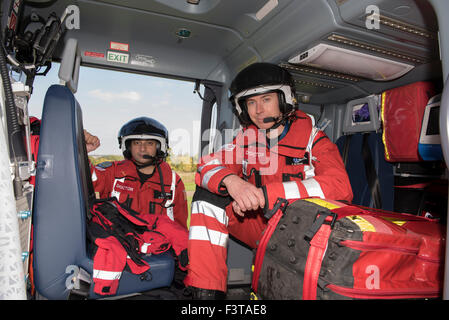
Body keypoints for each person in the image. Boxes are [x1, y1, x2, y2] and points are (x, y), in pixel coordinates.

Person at [184, 62, 353, 299]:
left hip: (302, 233)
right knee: (207, 195)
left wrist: (266, 195)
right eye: (251, 102)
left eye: (266, 99)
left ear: (285, 99)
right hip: (257, 226)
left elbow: (340, 186)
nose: (258, 110)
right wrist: (233, 181)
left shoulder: (313, 140)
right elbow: (206, 165)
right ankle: (206, 293)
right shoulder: (245, 140)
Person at [85, 117, 189, 230]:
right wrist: (82, 151)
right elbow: (84, 178)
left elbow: (180, 227)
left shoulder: (173, 181)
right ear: (128, 147)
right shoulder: (113, 172)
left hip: (158, 246)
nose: (142, 149)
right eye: (137, 142)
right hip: (118, 244)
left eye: (149, 143)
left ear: (159, 147)